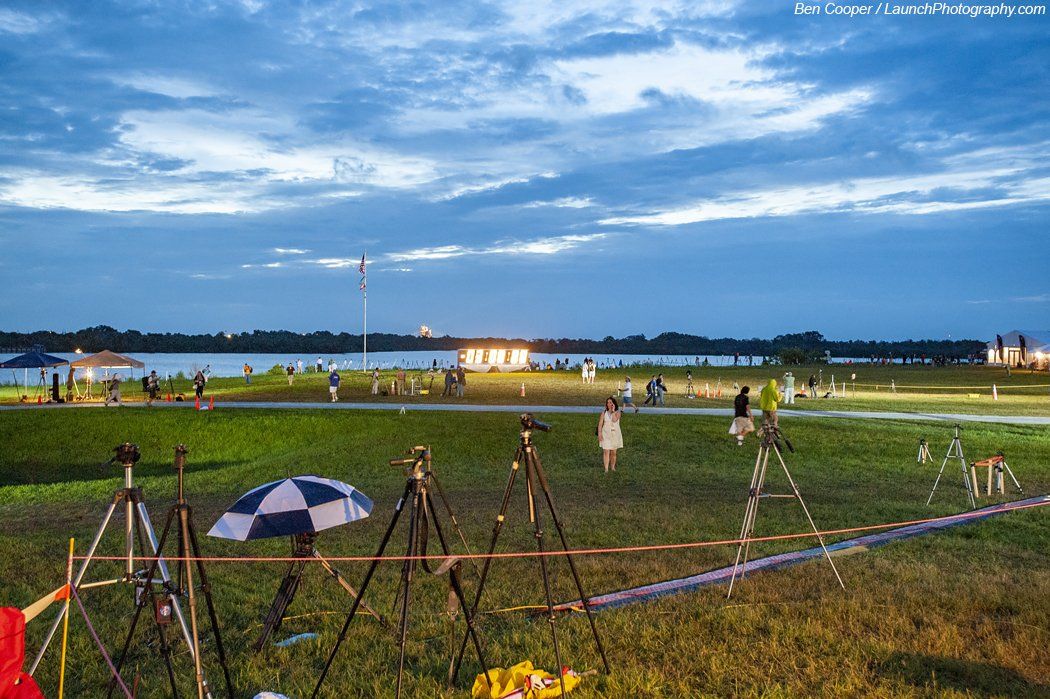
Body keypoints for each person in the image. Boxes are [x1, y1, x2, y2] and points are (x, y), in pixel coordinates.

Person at [597, 397, 623, 473]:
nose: (609, 404)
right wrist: (599, 434)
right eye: (608, 402)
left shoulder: (618, 412)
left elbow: (614, 420)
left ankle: (612, 467)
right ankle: (606, 469)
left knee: (613, 452)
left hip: (615, 434)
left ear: (614, 403)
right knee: (606, 451)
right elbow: (600, 424)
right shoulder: (604, 413)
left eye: (611, 402)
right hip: (605, 434)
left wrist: (613, 411)